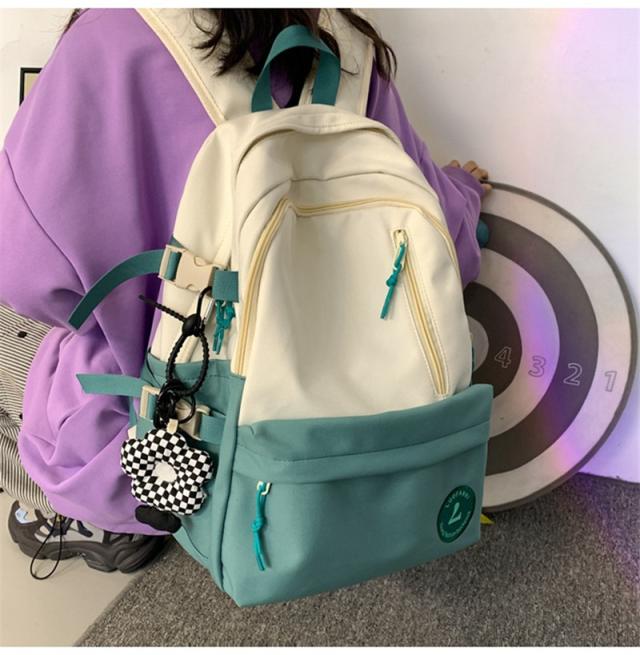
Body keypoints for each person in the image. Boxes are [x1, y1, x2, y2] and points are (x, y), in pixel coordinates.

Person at [0, 8, 491, 574]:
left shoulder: (108, 40)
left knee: (43, 346)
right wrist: (461, 189)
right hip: (346, 425)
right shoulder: (346, 46)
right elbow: (448, 249)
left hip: (166, 433)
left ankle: (103, 517)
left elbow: (25, 278)